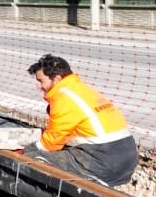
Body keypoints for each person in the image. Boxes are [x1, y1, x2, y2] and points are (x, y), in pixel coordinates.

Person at [23, 54, 137, 186]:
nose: (38, 86)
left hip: (103, 159)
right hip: (127, 157)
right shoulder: (80, 89)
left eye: (41, 81)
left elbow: (51, 143)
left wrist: (30, 149)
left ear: (57, 79)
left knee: (34, 157)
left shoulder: (63, 98)